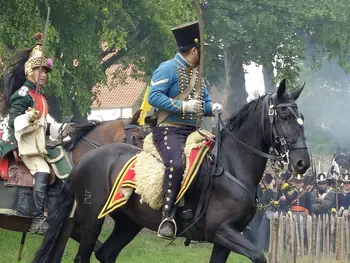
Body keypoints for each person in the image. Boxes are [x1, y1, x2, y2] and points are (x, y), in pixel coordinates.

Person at [148, 21, 223, 239]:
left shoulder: (198, 76)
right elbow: (154, 96)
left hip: (193, 132)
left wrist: (213, 107)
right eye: (201, 50)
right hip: (168, 130)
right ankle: (167, 216)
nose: (203, 55)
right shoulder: (167, 68)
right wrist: (182, 106)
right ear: (193, 50)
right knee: (177, 163)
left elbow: (205, 104)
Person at [1, 32, 70, 234]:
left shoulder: (40, 97)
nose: (44, 75)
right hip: (27, 147)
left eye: (46, 72)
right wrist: (28, 118)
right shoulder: (22, 95)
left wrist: (64, 129)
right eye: (40, 71)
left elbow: (47, 122)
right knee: (43, 171)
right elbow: (14, 121)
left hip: (40, 145)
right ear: (30, 72)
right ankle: (38, 219)